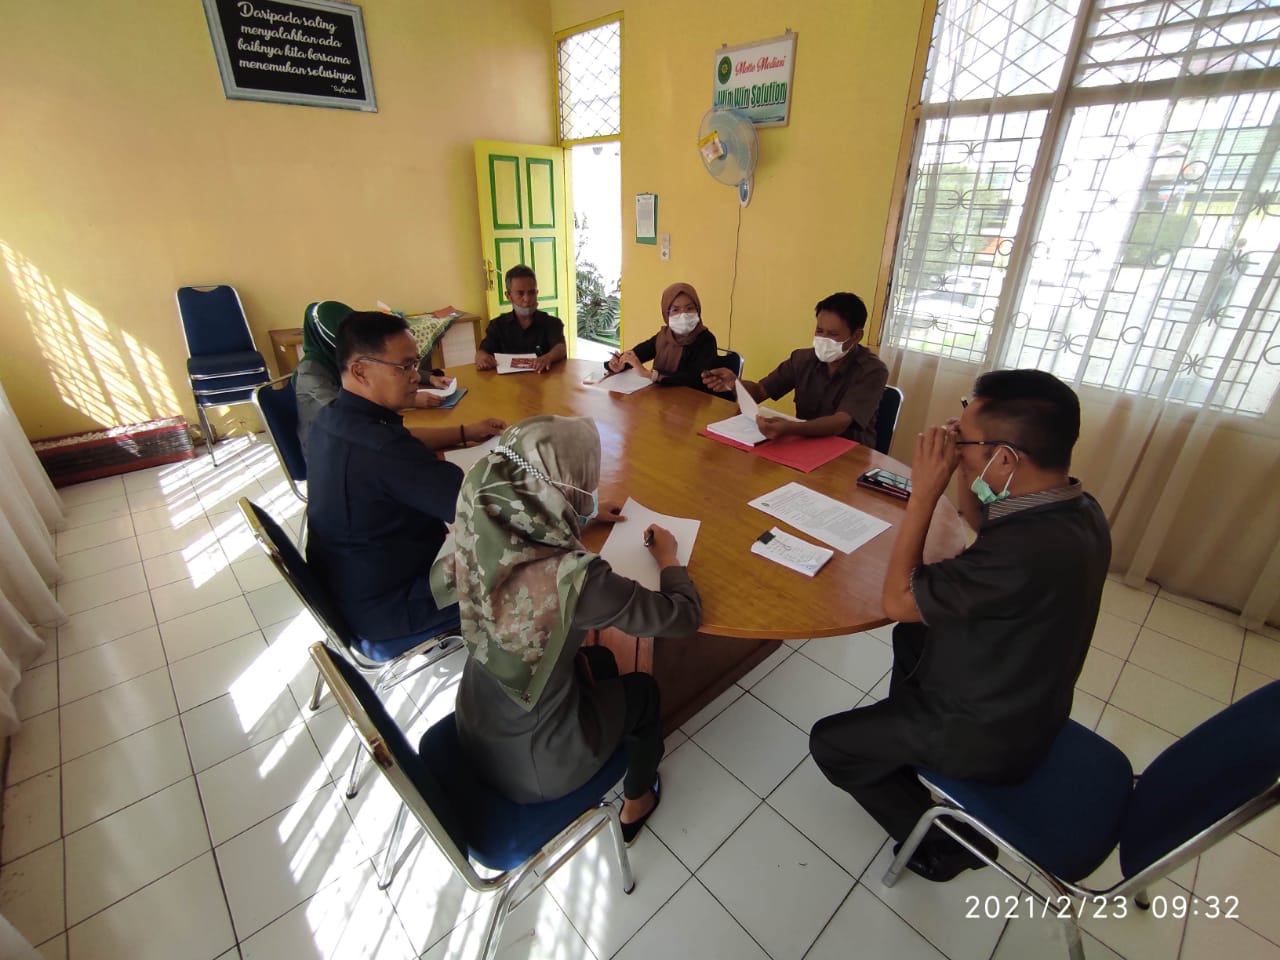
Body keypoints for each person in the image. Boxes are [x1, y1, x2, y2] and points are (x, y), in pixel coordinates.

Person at [808, 369, 1111, 882]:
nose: (955, 446)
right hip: (1025, 690)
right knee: (912, 635)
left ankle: (947, 846)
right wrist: (970, 460)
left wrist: (924, 493)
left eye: (965, 440)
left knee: (831, 743)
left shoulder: (1024, 552)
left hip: (988, 733)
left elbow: (898, 597)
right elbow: (979, 522)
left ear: (1006, 459)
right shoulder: (1077, 508)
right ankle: (901, 745)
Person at [431, 414, 701, 843]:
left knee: (598, 658)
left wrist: (583, 520)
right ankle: (638, 799)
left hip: (478, 720)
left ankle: (600, 726)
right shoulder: (577, 580)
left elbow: (523, 538)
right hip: (536, 767)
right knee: (643, 693)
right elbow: (682, 616)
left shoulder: (477, 526)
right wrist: (668, 558)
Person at [305, 310, 505, 644]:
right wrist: (577, 507)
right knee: (525, 569)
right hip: (391, 607)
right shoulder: (383, 450)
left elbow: (403, 441)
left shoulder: (332, 419)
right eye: (405, 367)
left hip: (348, 585)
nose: (416, 376)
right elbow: (482, 508)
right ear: (360, 371)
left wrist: (464, 431)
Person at [701, 292, 888, 447]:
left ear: (856, 336)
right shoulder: (802, 359)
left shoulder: (872, 370)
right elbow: (760, 390)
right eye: (819, 331)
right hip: (803, 445)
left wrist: (790, 427)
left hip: (848, 453)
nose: (823, 339)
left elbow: (840, 423)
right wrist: (736, 385)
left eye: (833, 334)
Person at [294, 300, 451, 460]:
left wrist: (430, 378)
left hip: (360, 433)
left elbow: (395, 364)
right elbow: (344, 410)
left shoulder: (341, 356)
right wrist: (413, 400)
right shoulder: (310, 370)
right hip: (329, 446)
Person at [605, 282, 726, 394]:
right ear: (666, 313)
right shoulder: (664, 336)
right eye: (675, 310)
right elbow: (637, 355)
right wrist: (619, 364)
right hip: (661, 398)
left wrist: (650, 375)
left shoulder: (706, 340)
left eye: (689, 308)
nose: (683, 315)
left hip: (692, 403)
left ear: (698, 310)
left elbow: (693, 379)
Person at [474, 265, 567, 373]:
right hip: (507, 385)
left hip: (543, 382)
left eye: (531, 292)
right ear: (508, 296)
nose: (527, 299)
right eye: (520, 293)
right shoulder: (497, 325)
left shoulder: (552, 323)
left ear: (537, 293)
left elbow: (560, 348)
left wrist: (547, 358)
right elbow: (482, 352)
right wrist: (481, 358)